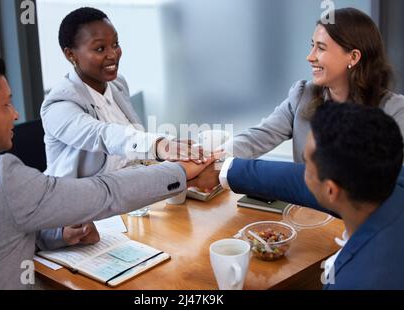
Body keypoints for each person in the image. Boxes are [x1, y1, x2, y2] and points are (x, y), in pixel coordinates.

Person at [0, 49, 212, 289]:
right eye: (7, 104)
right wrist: (179, 171)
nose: (16, 114)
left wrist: (58, 233)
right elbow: (105, 193)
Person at [190, 102, 404, 289]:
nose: (301, 172)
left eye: (307, 165)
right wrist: (223, 169)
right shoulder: (391, 183)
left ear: (331, 190)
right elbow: (290, 178)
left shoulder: (362, 281)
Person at [41, 7, 203, 180]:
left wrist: (170, 146)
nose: (113, 54)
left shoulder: (117, 84)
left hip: (127, 187)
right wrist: (158, 145)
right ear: (70, 54)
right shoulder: (58, 106)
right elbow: (102, 135)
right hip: (82, 200)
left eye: (115, 44)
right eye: (100, 48)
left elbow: (130, 149)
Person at [223, 7, 404, 162]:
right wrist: (211, 157)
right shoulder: (304, 95)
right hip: (304, 203)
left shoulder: (395, 111)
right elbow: (257, 138)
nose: (310, 57)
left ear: (354, 57)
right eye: (312, 46)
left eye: (321, 48)